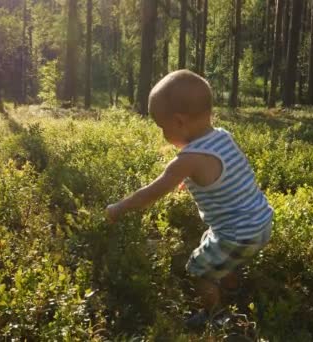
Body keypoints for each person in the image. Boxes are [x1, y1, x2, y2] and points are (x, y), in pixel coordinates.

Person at [105, 69, 273, 329]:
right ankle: (232, 285)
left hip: (238, 234)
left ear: (180, 122)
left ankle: (215, 317)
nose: (162, 134)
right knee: (210, 240)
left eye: (163, 127)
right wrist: (193, 177)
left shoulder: (187, 160)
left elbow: (152, 192)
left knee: (198, 269)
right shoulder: (223, 136)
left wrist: (120, 207)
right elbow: (227, 171)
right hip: (262, 221)